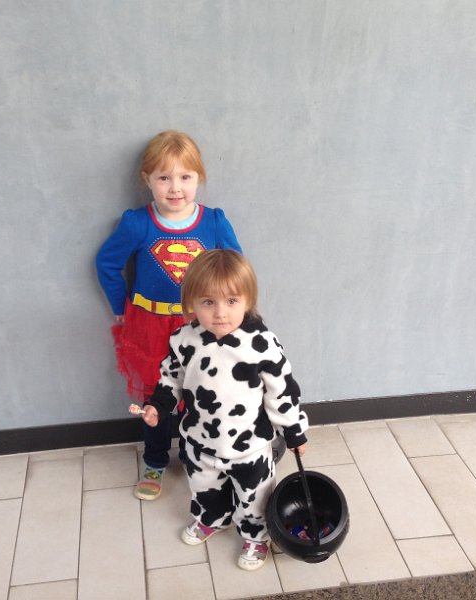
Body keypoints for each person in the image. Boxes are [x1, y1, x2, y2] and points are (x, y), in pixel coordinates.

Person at [140, 250, 309, 571]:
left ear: (248, 300)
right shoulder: (183, 340)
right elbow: (171, 378)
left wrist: (294, 431)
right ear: (191, 302)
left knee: (255, 496)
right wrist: (158, 406)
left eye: (231, 301)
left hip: (250, 447)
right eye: (208, 302)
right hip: (199, 441)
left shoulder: (262, 344)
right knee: (204, 487)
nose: (220, 313)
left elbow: (283, 392)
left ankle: (256, 536)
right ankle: (212, 518)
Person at [96, 131, 242, 501]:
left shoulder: (213, 222)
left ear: (199, 178)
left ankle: (199, 456)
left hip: (199, 326)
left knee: (202, 393)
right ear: (147, 179)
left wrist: (231, 313)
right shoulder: (137, 223)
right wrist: (120, 307)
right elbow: (107, 264)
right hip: (150, 327)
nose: (175, 188)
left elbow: (234, 270)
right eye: (164, 177)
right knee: (155, 396)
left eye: (185, 177)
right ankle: (155, 459)